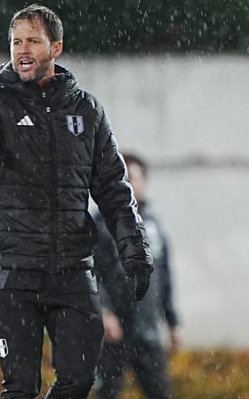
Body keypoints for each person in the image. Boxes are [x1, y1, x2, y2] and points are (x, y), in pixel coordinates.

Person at [0, 3, 154, 398]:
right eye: (16, 42)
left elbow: (114, 189)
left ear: (56, 48)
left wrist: (135, 250)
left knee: (80, 380)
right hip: (11, 270)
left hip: (71, 270)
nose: (22, 50)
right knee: (20, 389)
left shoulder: (87, 110)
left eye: (32, 41)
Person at [93, 153, 180, 399]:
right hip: (113, 331)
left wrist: (173, 322)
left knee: (159, 392)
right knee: (107, 393)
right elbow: (91, 272)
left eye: (133, 178)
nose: (129, 184)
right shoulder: (100, 225)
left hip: (147, 329)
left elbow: (164, 277)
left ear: (144, 182)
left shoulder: (154, 226)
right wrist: (104, 311)